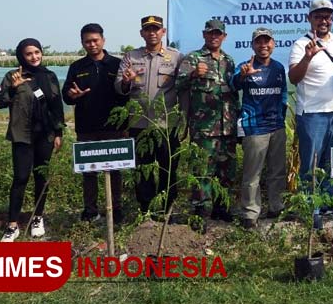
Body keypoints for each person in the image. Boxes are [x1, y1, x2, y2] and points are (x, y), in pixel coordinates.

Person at [0, 38, 65, 242]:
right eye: (28, 54)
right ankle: (13, 225)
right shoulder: (13, 76)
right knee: (20, 178)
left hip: (45, 135)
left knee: (41, 177)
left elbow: (56, 106)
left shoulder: (49, 76)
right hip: (22, 135)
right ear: (21, 56)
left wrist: (58, 133)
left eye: (37, 52)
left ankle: (38, 218)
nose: (34, 57)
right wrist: (14, 88)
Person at [115, 15, 183, 216]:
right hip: (139, 124)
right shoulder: (131, 57)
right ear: (141, 33)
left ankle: (165, 209)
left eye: (156, 29)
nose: (152, 32)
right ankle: (145, 209)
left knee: (167, 169)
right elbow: (119, 87)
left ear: (163, 32)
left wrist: (185, 119)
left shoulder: (176, 57)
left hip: (166, 124)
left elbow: (184, 88)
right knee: (142, 170)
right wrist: (127, 81)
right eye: (147, 29)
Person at [288, 0, 333, 227]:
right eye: (318, 16)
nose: (323, 21)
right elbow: (294, 78)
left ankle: (327, 205)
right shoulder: (300, 44)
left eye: (327, 16)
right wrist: (308, 56)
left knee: (332, 164)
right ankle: (310, 208)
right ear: (309, 18)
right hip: (312, 113)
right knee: (311, 165)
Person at [63, 23, 128, 224]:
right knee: (89, 172)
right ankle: (90, 210)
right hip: (87, 127)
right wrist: (73, 95)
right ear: (82, 43)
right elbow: (67, 95)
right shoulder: (77, 67)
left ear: (103, 40)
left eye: (95, 40)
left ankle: (116, 209)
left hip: (114, 127)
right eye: (87, 41)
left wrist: (127, 83)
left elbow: (126, 93)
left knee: (115, 170)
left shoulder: (117, 64)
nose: (91, 44)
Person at [176, 19, 239, 226]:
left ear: (224, 36)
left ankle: (221, 208)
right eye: (211, 33)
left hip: (227, 127)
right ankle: (199, 212)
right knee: (202, 172)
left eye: (218, 34)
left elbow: (233, 94)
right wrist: (194, 74)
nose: (214, 37)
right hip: (203, 129)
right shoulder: (193, 58)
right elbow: (178, 84)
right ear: (204, 35)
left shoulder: (229, 61)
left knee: (226, 171)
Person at [231, 27, 288, 229]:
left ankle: (276, 206)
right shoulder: (244, 66)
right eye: (259, 42)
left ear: (273, 44)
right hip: (254, 128)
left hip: (276, 127)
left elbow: (283, 95)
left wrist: (281, 118)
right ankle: (250, 213)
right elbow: (233, 84)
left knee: (278, 171)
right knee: (252, 174)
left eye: (267, 41)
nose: (263, 45)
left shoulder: (279, 68)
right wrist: (243, 76)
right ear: (253, 45)